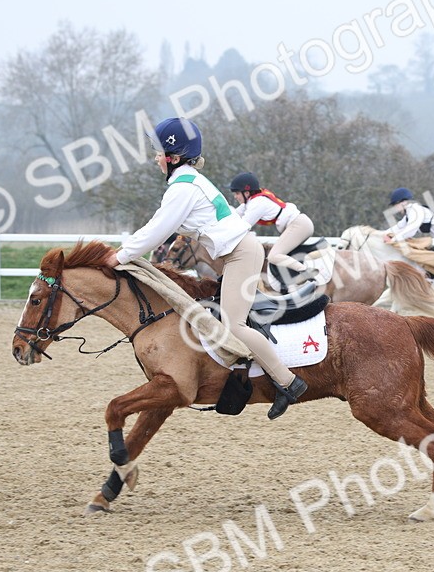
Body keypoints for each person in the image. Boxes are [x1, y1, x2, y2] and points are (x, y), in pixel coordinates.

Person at [101, 117, 307, 419]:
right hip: (239, 253)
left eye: (159, 153)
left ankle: (289, 383)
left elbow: (157, 229)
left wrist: (118, 258)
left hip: (240, 255)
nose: (156, 159)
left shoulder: (182, 189)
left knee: (234, 326)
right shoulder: (187, 182)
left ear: (173, 157)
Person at [228, 172, 316, 286]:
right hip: (300, 224)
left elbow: (243, 226)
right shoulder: (252, 201)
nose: (235, 196)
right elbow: (235, 215)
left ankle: (305, 272)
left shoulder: (257, 203)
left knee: (274, 256)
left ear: (247, 192)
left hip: (299, 225)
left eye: (237, 193)